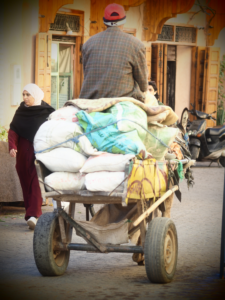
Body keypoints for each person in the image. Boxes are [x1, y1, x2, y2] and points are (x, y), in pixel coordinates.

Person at [79, 3, 148, 101]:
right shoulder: (136, 45)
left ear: (104, 21)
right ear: (124, 21)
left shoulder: (88, 44)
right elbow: (143, 85)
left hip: (89, 102)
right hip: (122, 103)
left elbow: (87, 74)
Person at [8, 84, 55, 230]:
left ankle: (34, 214)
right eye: (23, 94)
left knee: (35, 183)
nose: (25, 98)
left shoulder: (46, 112)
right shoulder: (21, 111)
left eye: (28, 94)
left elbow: (53, 131)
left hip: (39, 153)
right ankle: (30, 215)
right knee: (26, 183)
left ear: (36, 95)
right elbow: (13, 130)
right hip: (23, 153)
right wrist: (12, 147)